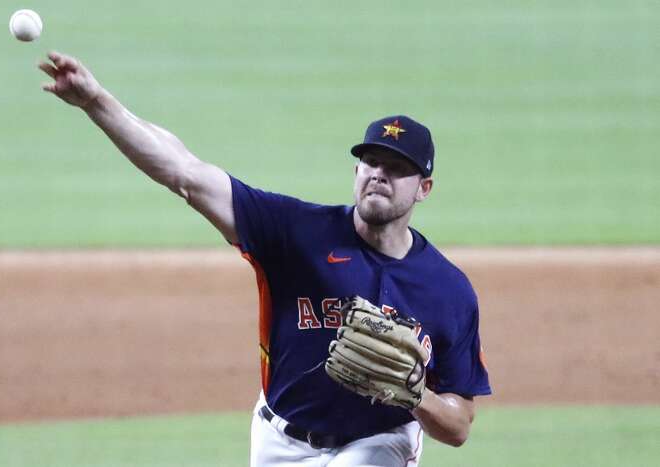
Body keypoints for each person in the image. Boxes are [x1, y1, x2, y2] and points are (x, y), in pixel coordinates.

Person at [39, 51, 491, 466]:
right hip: (278, 441)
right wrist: (96, 102)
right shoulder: (296, 232)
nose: (379, 175)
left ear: (424, 188)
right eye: (370, 162)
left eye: (396, 168)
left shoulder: (448, 290)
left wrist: (416, 398)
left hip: (378, 444)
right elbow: (186, 174)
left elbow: (459, 425)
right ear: (355, 172)